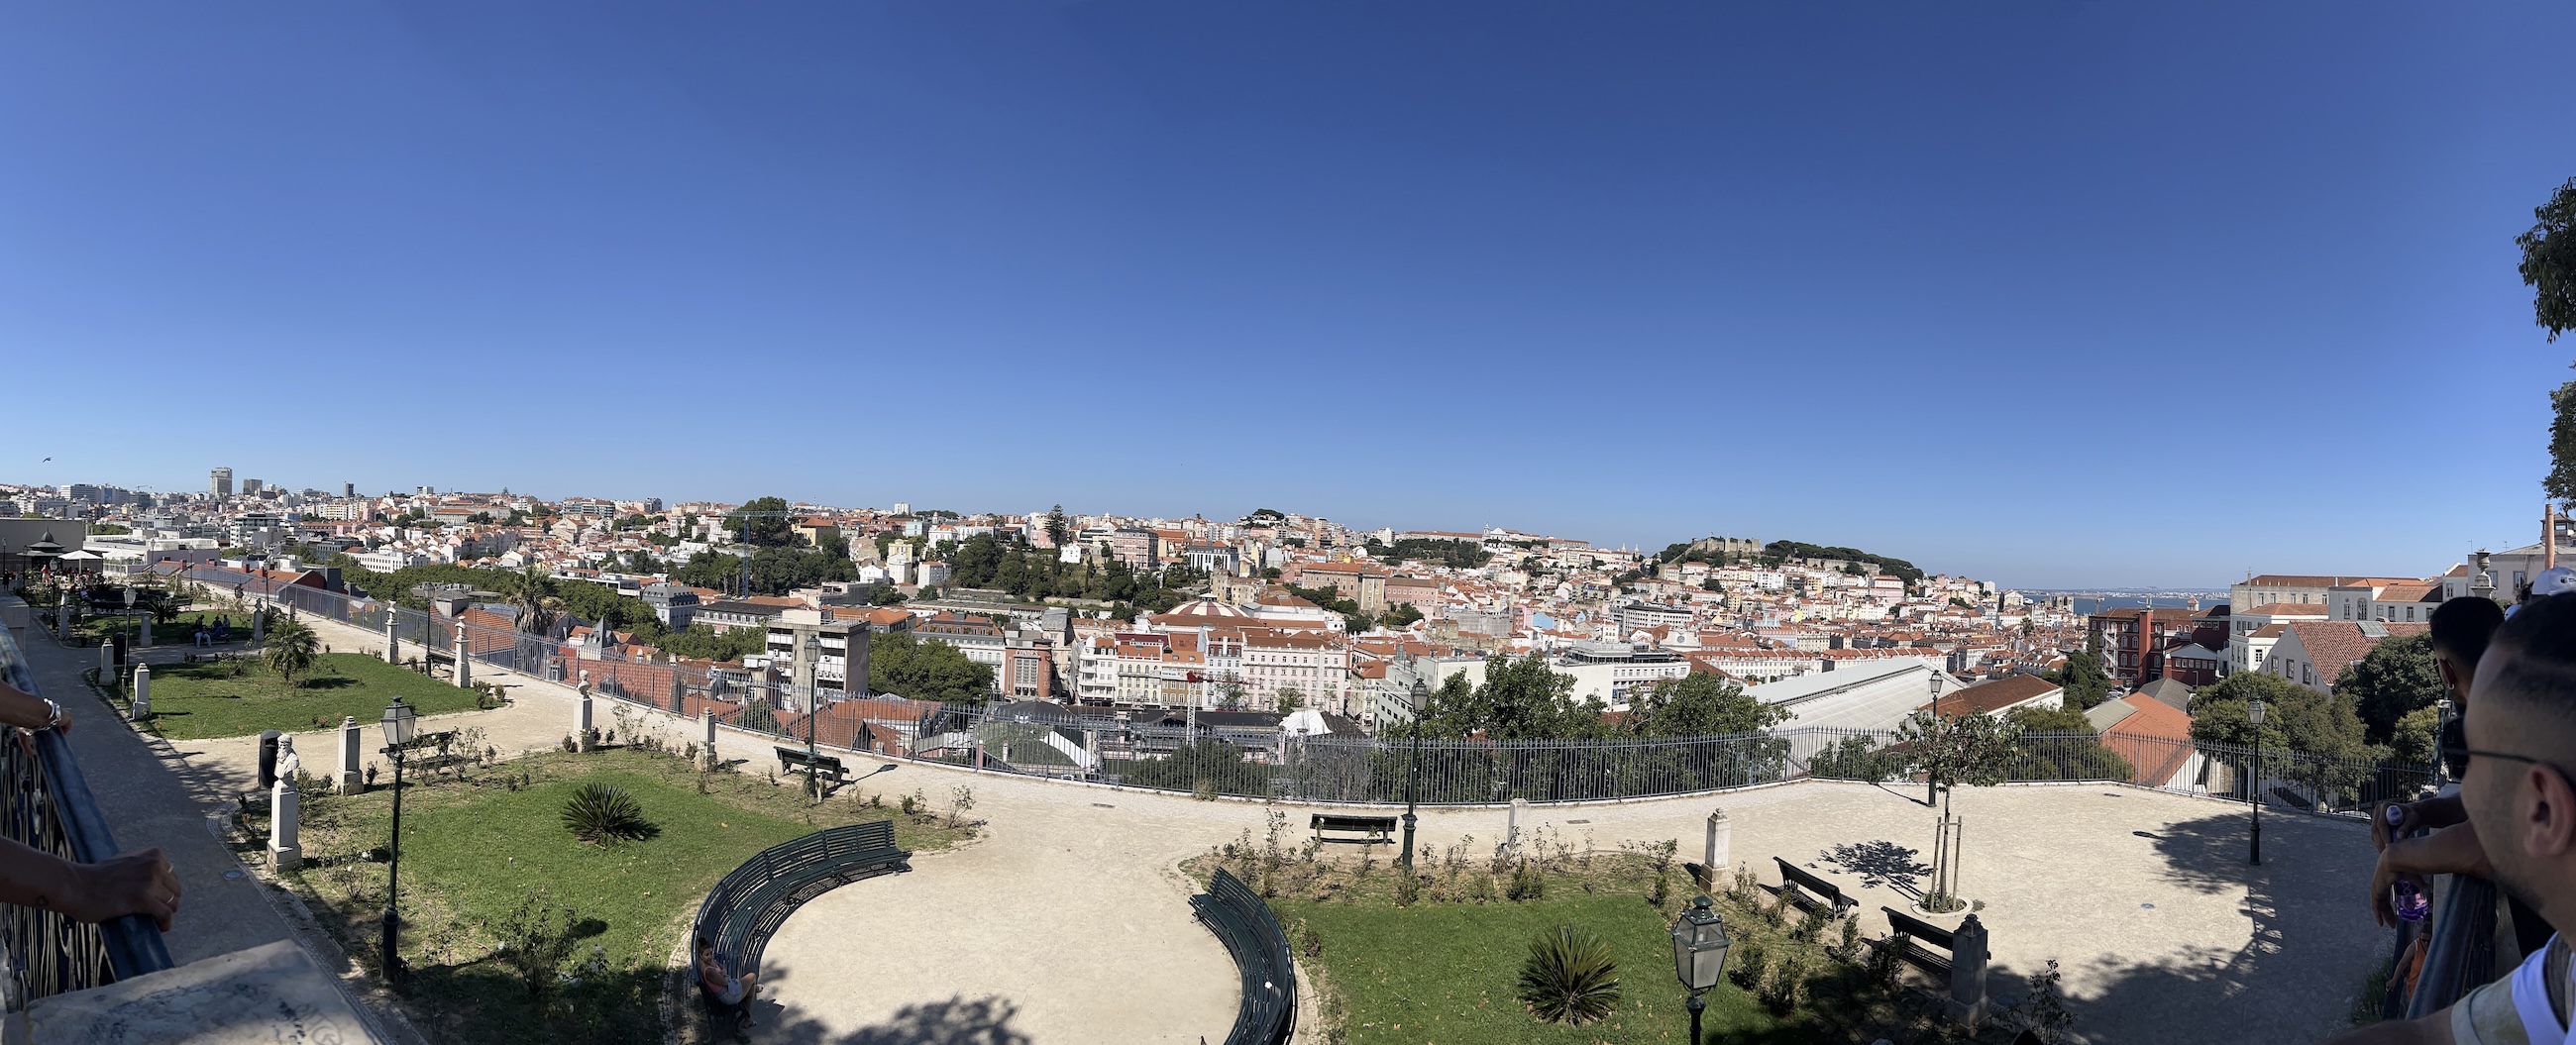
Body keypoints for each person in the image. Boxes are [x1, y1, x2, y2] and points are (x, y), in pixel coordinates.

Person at [2325, 592, 2576, 1042]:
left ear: (2542, 810)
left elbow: (2483, 840)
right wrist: (2423, 813)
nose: (2464, 785)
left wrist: (2398, 856)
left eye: (2471, 756)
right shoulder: (2566, 966)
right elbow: (2429, 1036)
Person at [697, 935, 760, 1026]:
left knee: (751, 987)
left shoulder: (708, 962)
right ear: (700, 956)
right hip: (728, 995)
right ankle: (747, 1019)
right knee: (752, 976)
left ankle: (747, 1020)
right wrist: (724, 974)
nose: (710, 956)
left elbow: (721, 966)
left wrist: (723, 972)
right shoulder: (709, 971)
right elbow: (724, 981)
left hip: (729, 988)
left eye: (711, 953)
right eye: (707, 954)